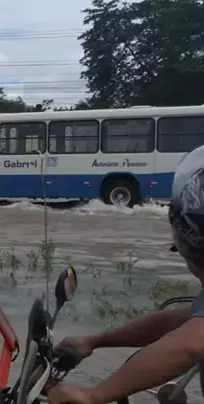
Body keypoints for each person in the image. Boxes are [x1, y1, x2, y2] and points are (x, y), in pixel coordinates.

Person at [49, 145, 204, 404]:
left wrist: (94, 395)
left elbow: (189, 343)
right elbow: (176, 323)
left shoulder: (196, 335)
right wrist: (94, 341)